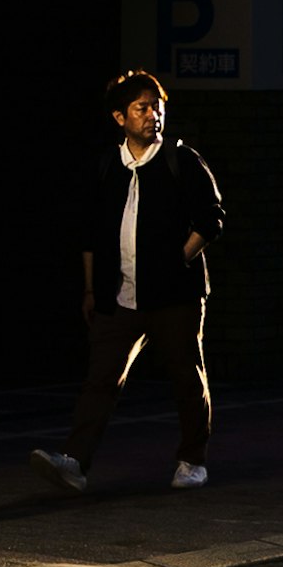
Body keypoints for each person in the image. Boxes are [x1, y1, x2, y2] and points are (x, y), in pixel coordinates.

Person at [34, 70, 224, 494]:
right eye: (142, 108)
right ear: (120, 117)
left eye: (158, 107)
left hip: (174, 296)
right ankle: (75, 462)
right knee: (101, 379)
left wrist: (178, 259)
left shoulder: (181, 160)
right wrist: (90, 288)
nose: (153, 115)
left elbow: (212, 219)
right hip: (119, 295)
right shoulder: (106, 167)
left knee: (186, 376)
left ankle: (193, 459)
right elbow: (89, 234)